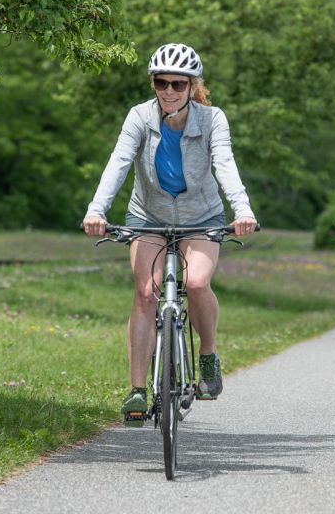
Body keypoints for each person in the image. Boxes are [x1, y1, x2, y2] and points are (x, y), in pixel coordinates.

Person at [82, 43, 258, 425]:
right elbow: (119, 161)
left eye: (178, 83)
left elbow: (225, 163)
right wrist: (97, 209)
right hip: (148, 215)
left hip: (202, 214)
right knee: (146, 292)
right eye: (161, 82)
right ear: (153, 83)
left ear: (192, 85)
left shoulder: (212, 119)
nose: (169, 91)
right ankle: (137, 391)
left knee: (196, 283)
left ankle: (208, 356)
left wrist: (242, 209)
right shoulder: (139, 117)